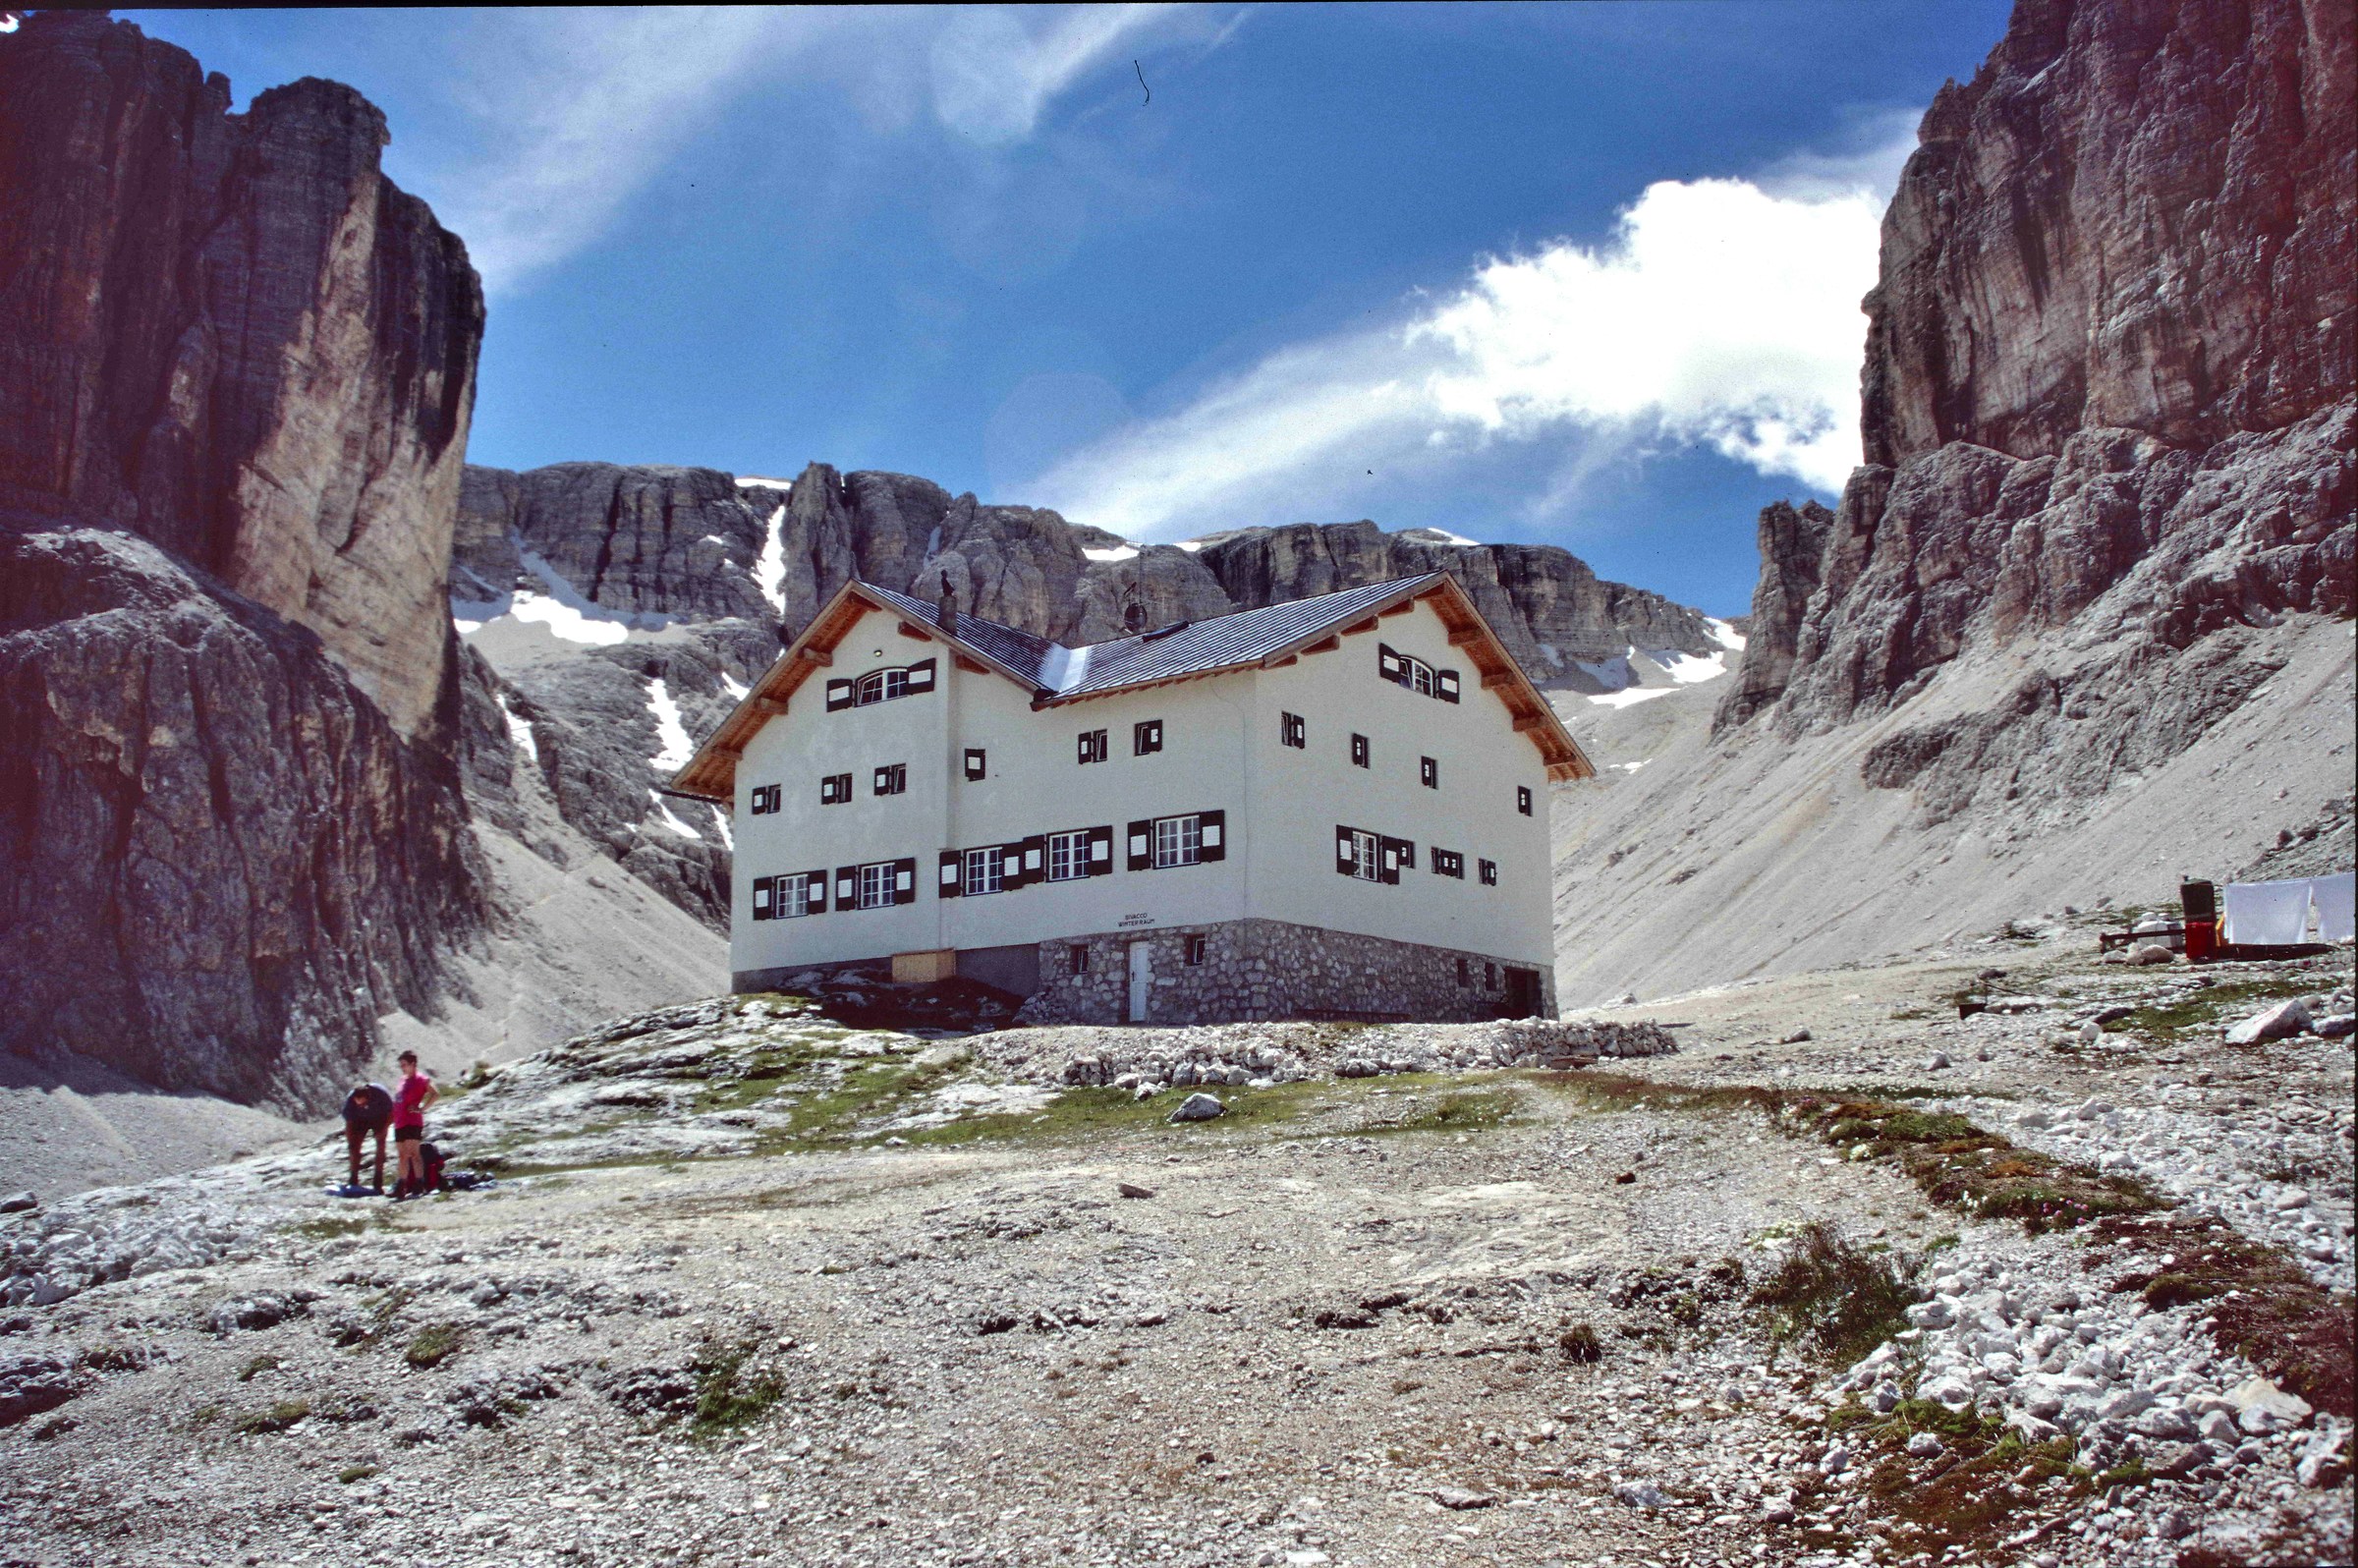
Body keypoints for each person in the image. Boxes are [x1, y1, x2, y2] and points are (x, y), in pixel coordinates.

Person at [391, 1052, 439, 1200]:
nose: (402, 1068)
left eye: (405, 1065)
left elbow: (435, 1094)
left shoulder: (421, 1079)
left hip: (412, 1121)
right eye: (401, 1065)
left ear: (413, 1064)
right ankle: (401, 1185)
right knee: (402, 1155)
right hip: (399, 1121)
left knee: (413, 1153)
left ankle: (419, 1184)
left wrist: (422, 1109)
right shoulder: (402, 1079)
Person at [341, 1081, 394, 1194]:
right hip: (360, 1120)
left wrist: (384, 1128)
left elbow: (392, 1113)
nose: (362, 1106)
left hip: (379, 1118)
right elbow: (349, 1123)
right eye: (359, 1105)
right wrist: (351, 1143)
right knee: (354, 1147)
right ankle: (353, 1179)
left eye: (363, 1103)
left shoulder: (380, 1093)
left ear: (368, 1096)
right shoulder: (350, 1100)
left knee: (380, 1145)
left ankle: (378, 1181)